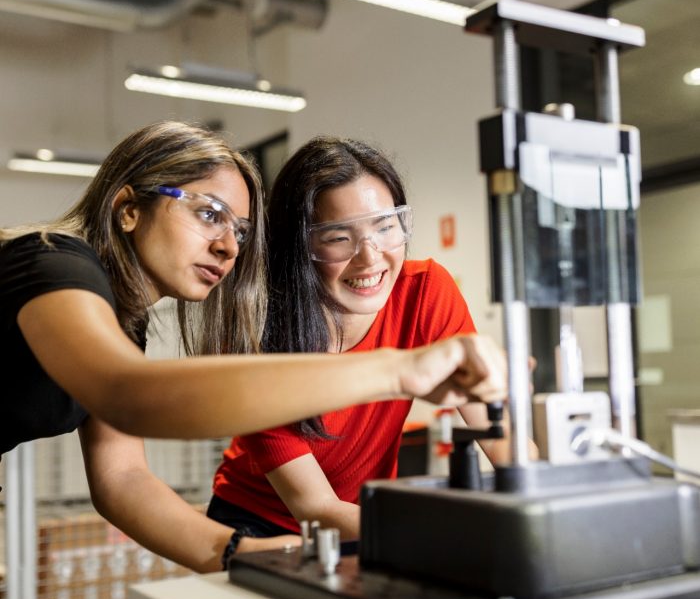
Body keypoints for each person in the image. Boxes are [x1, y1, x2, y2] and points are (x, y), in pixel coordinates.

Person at [0, 121, 507, 572]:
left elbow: (122, 479)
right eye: (209, 215)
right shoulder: (52, 264)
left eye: (240, 230)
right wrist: (398, 370)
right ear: (129, 209)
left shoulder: (121, 320)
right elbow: (125, 395)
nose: (229, 247)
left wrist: (238, 551)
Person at [208, 136, 521, 541]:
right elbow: (315, 507)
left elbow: (501, 437)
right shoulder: (257, 337)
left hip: (364, 517)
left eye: (386, 227)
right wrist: (439, 544)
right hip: (258, 525)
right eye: (339, 238)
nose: (371, 258)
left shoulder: (425, 291)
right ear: (298, 246)